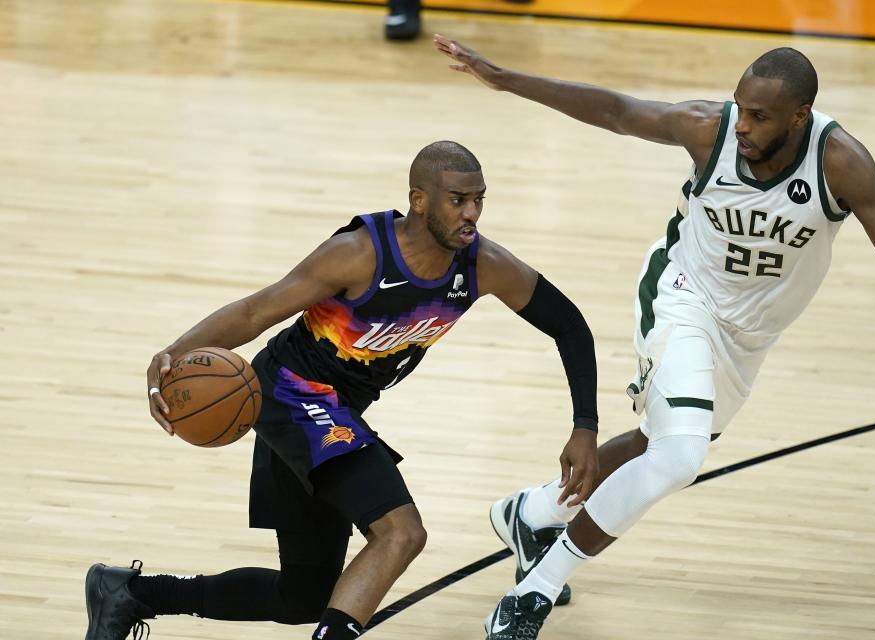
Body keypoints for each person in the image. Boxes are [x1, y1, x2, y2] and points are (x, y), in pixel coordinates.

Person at [433, 36, 875, 640]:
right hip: (682, 297)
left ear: (800, 116)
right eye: (740, 108)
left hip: (750, 337)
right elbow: (617, 111)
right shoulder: (709, 131)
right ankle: (533, 591)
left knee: (659, 441)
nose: (744, 126)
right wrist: (507, 78)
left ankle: (532, 511)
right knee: (680, 457)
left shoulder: (841, 162)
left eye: (760, 117)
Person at [83, 141, 601, 640]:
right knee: (401, 533)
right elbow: (255, 311)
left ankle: (131, 594)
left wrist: (585, 425)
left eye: (478, 199)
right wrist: (171, 353)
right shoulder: (358, 254)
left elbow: (569, 325)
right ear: (419, 201)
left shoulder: (482, 264)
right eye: (458, 200)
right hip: (289, 393)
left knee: (303, 598)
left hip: (336, 413)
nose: (472, 213)